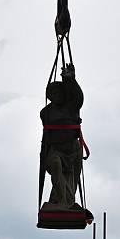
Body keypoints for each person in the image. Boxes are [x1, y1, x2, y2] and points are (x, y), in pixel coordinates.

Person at [40, 63, 85, 209]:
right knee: (55, 165)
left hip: (72, 149)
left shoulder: (71, 107)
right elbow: (46, 135)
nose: (57, 96)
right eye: (54, 94)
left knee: (71, 180)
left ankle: (66, 202)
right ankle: (62, 202)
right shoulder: (45, 112)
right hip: (56, 149)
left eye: (60, 93)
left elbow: (78, 97)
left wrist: (70, 80)